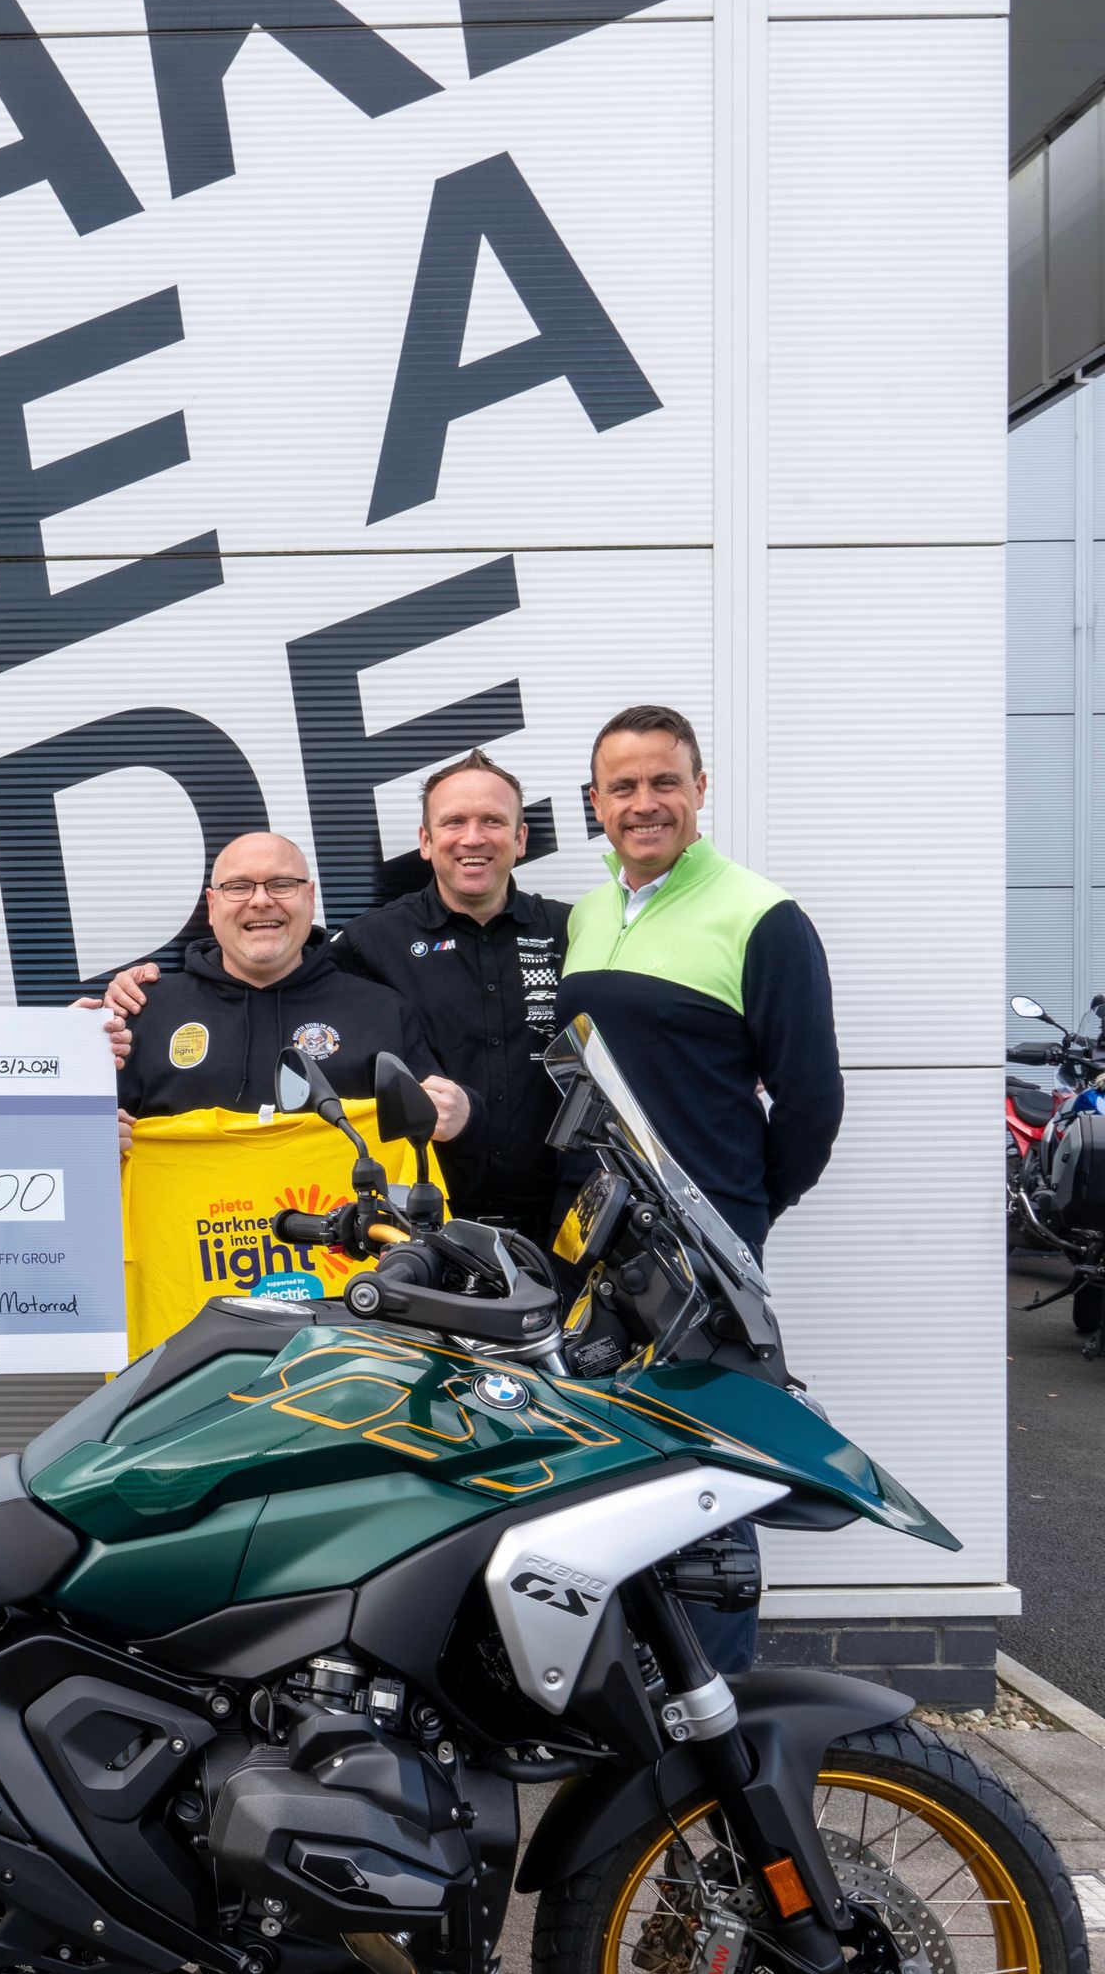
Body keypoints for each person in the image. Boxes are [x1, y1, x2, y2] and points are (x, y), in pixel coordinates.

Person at [561, 704, 844, 1675]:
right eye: (623, 786)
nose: (644, 803)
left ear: (699, 789)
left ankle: (713, 1716)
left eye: (663, 782)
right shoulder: (590, 915)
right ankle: (633, 1698)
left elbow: (810, 1101)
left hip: (702, 1257)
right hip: (597, 1246)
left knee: (707, 1478)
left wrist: (736, 1212)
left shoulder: (761, 916)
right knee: (609, 1470)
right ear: (595, 802)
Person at [109, 832, 477, 1155]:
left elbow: (433, 1145)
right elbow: (87, 1156)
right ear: (212, 904)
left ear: (310, 897)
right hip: (183, 1215)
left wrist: (463, 1123)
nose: (260, 900)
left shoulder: (382, 1011)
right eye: (238, 887)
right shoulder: (145, 1011)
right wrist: (97, 1144)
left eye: (282, 884)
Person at [327, 751, 570, 1240]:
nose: (472, 838)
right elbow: (287, 996)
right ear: (425, 840)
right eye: (454, 821)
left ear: (521, 839)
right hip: (423, 1229)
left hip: (560, 1229)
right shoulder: (367, 944)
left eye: (493, 821)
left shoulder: (572, 931)